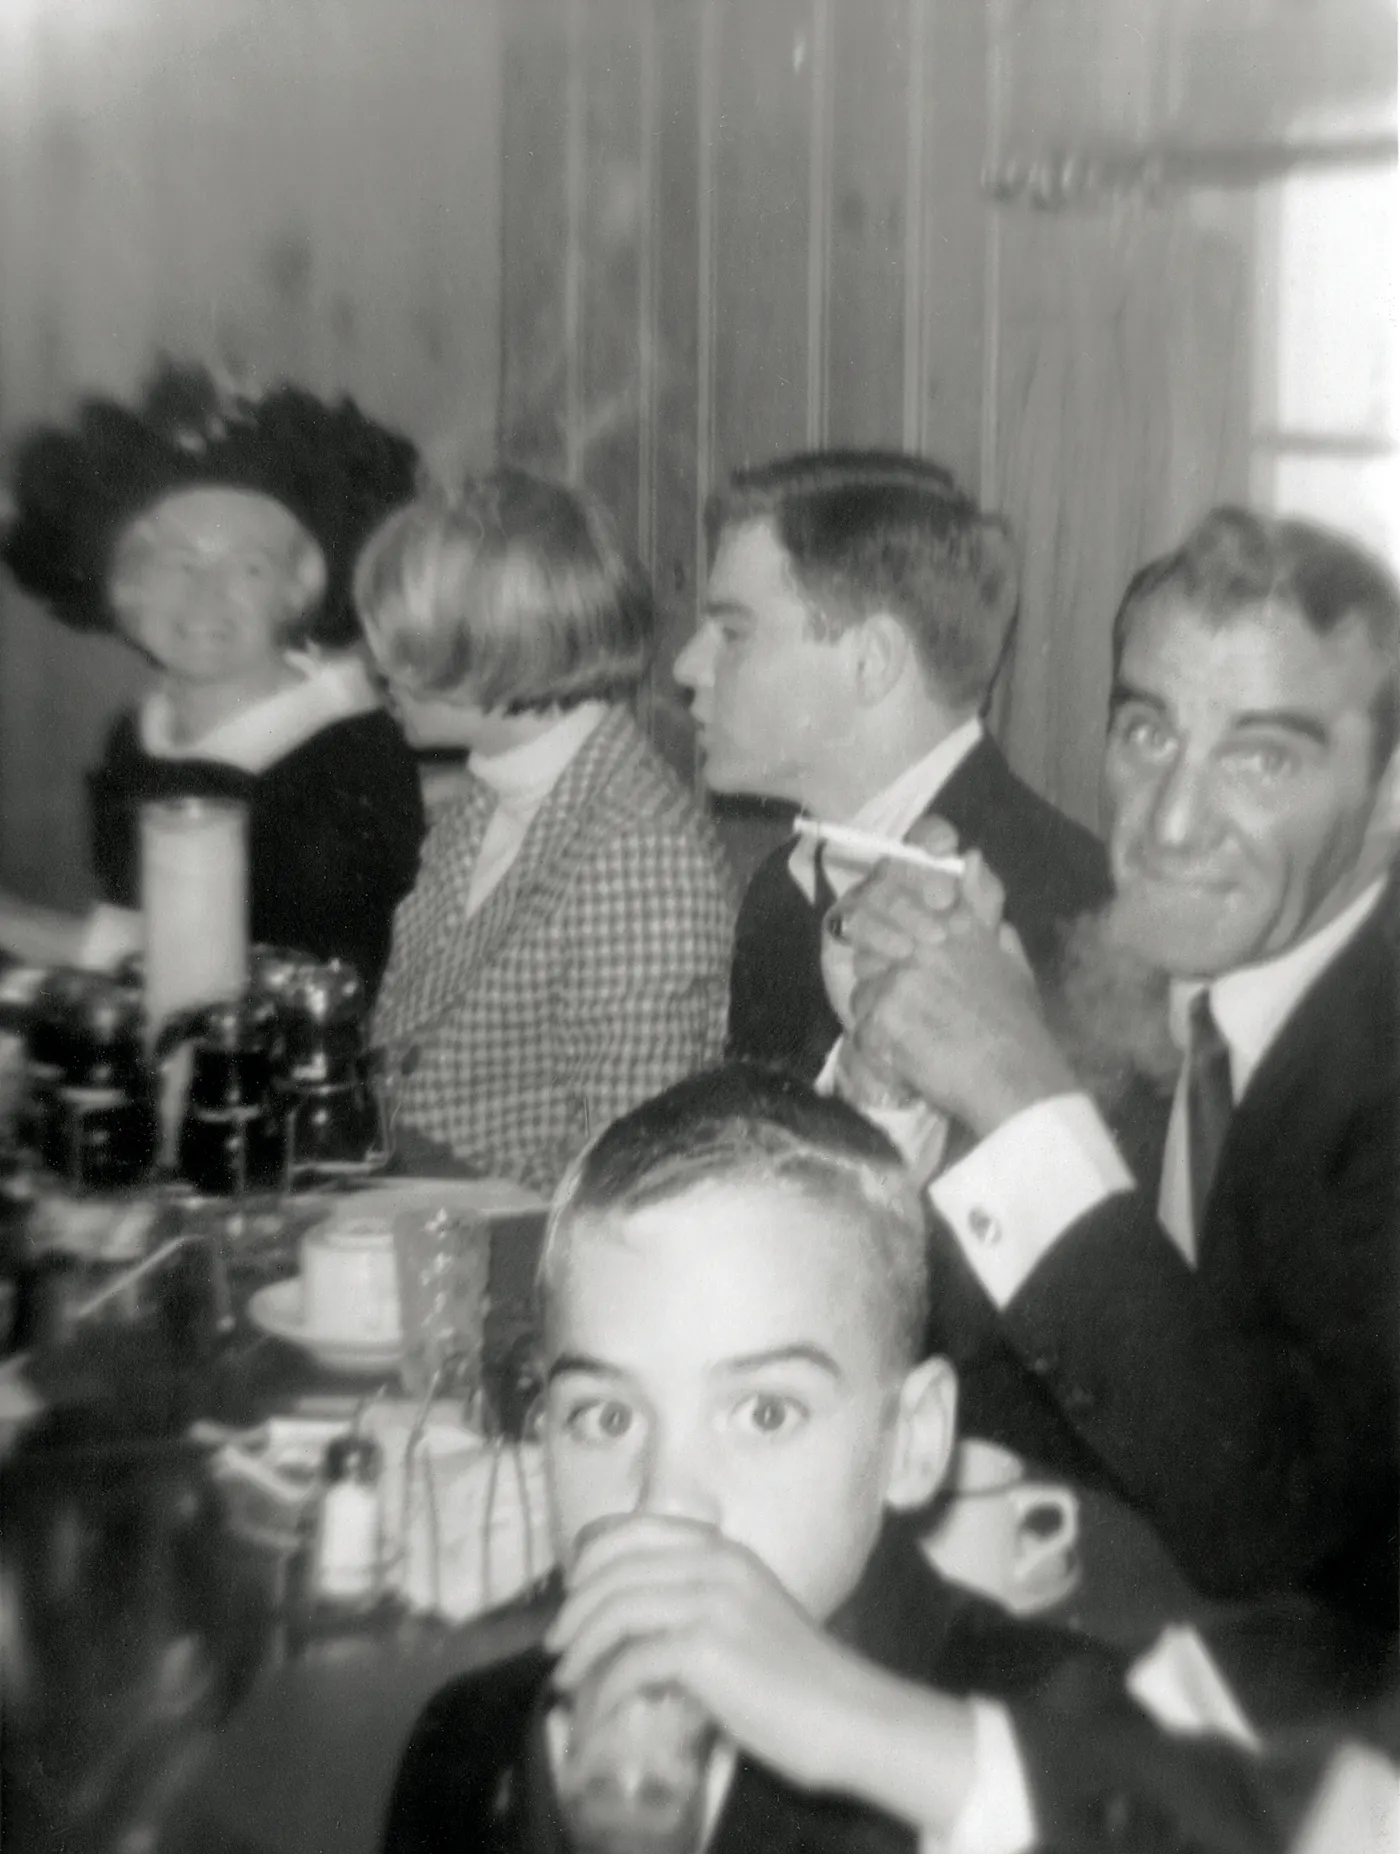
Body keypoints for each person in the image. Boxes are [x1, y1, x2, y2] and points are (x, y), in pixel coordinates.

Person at [347, 1064, 1297, 1854]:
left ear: (913, 1441)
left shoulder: (1034, 1715)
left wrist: (863, 1729)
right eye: (604, 1416)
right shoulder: (470, 1741)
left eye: (764, 1413)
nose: (664, 1501)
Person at [841, 507, 1400, 1638]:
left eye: (1259, 756)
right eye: (1147, 735)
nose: (1171, 822)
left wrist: (1019, 1099)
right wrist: (900, 1070)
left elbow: (1267, 1517)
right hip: (1108, 1657)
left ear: (1388, 798)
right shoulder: (1118, 971)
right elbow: (983, 1363)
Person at [672, 450, 1109, 1082]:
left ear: (872, 660)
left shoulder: (1057, 917)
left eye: (733, 633)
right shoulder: (783, 889)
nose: (688, 666)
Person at [356, 469, 735, 1195]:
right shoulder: (496, 790)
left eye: (402, 647)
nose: (375, 670)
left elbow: (620, 1167)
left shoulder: (636, 851)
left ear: (504, 649)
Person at [0, 360, 425, 1000]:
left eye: (249, 569)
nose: (208, 597)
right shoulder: (140, 735)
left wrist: (38, 933)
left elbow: (301, 988)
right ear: (130, 590)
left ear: (296, 594)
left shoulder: (345, 763)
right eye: (178, 563)